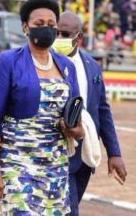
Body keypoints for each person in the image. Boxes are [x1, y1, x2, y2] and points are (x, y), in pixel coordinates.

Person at [0, 0, 84, 215]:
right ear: (26, 27)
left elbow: (77, 119)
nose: (45, 28)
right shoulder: (8, 62)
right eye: (39, 24)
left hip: (56, 165)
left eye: (51, 24)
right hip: (18, 163)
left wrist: (76, 130)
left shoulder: (66, 66)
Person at [52, 11, 127, 216]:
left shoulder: (92, 67)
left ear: (79, 38)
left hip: (84, 159)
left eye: (65, 34)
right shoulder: (45, 63)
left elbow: (102, 110)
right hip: (55, 156)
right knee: (69, 211)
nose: (59, 39)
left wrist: (114, 153)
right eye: (55, 32)